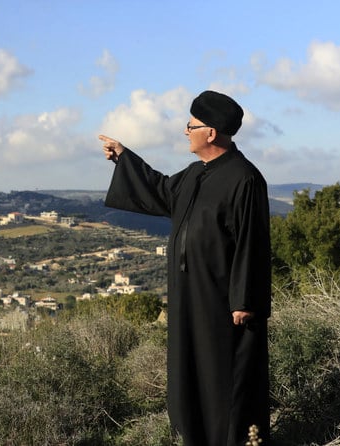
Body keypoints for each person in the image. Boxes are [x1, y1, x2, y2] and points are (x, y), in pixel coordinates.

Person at [100, 90, 271, 446]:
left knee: (225, 378)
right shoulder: (195, 174)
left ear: (210, 133)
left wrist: (244, 300)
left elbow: (253, 243)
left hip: (223, 301)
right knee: (192, 372)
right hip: (189, 296)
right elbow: (163, 191)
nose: (185, 131)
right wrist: (124, 158)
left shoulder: (245, 179)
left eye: (190, 125)